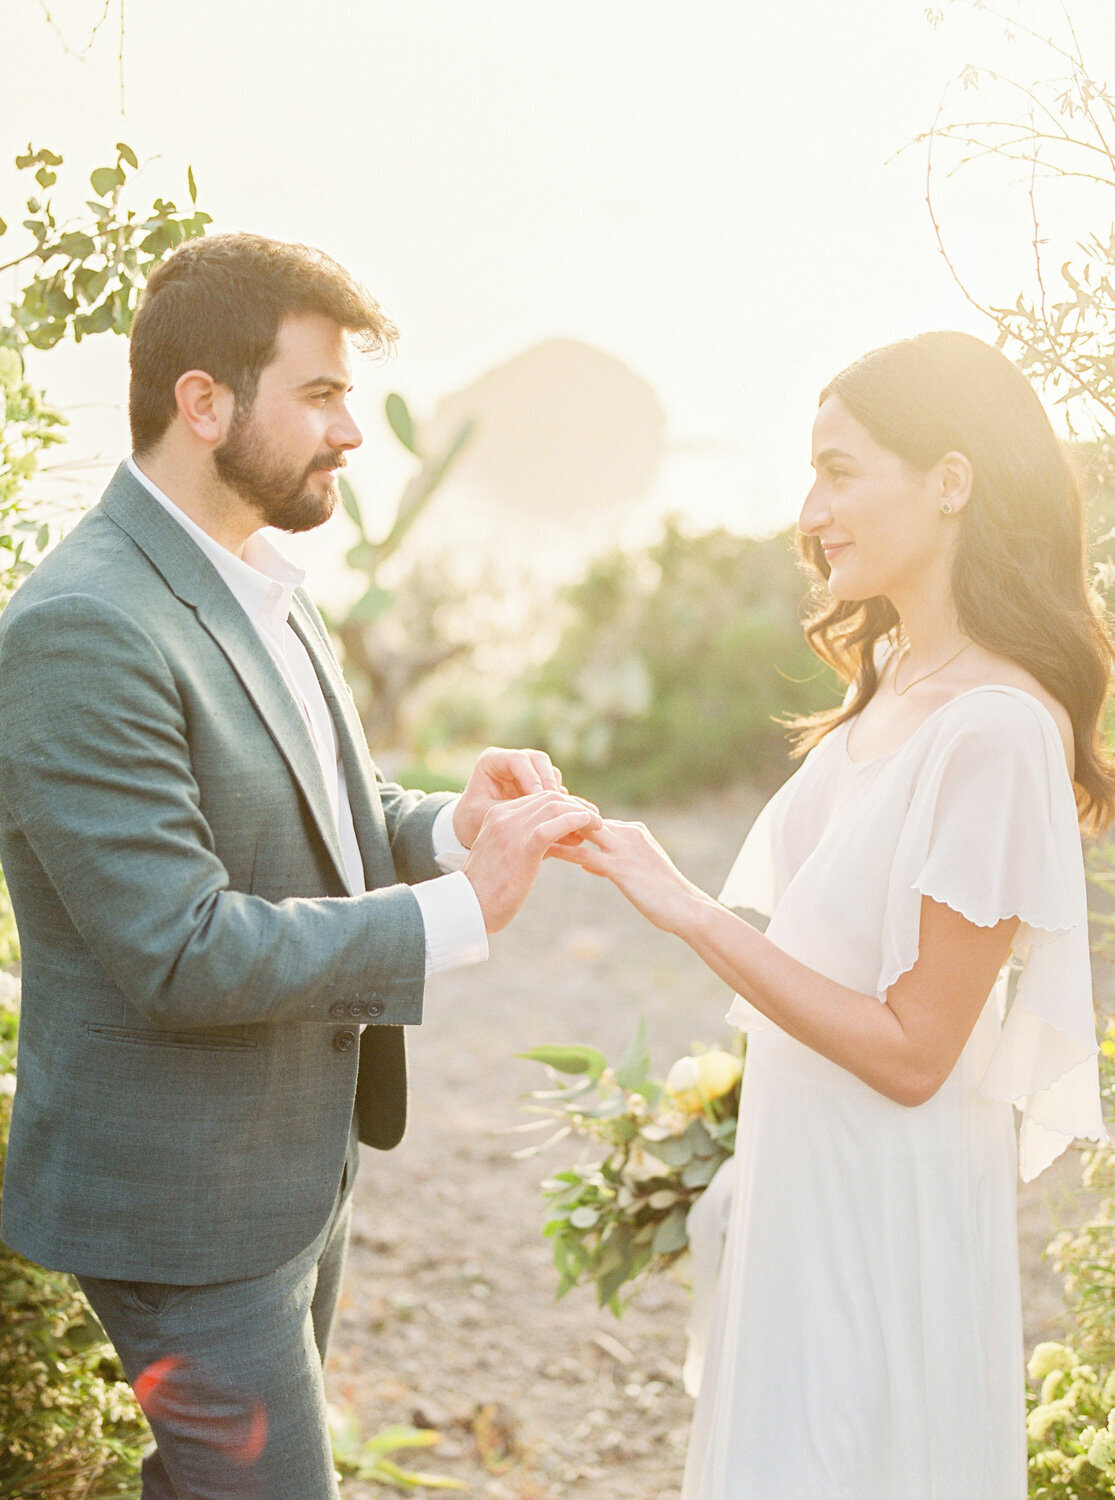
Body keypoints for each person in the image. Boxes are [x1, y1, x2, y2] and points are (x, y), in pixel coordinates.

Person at [0, 232, 599, 1500]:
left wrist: (449, 824)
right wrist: (452, 912)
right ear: (202, 403)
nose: (351, 431)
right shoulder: (81, 626)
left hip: (287, 1168)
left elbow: (325, 809)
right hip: (183, 1211)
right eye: (319, 393)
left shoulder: (263, 575)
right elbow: (177, 947)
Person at [555, 331, 1114, 1499]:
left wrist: (690, 914)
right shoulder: (897, 677)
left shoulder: (998, 731)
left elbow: (916, 1053)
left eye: (840, 471)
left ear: (950, 481)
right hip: (805, 1184)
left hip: (883, 1206)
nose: (810, 510)